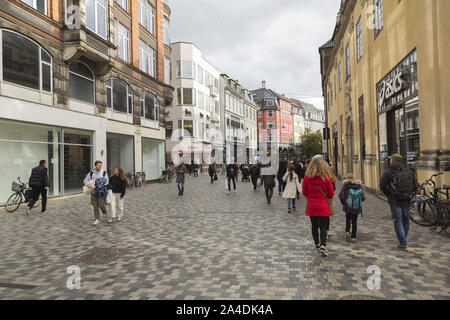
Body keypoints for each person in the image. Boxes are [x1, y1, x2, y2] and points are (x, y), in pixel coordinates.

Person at [380, 153, 417, 251]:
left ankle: (403, 242)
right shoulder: (408, 171)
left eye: (390, 159)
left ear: (392, 160)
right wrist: (409, 194)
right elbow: (415, 185)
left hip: (395, 200)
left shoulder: (388, 172)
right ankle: (403, 239)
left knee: (398, 220)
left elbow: (382, 186)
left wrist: (388, 194)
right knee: (406, 220)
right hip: (407, 199)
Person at [302, 156, 335, 257]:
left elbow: (304, 192)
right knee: (323, 227)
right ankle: (323, 246)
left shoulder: (307, 177)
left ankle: (317, 243)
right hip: (323, 206)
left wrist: (311, 196)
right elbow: (331, 193)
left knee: (314, 226)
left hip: (311, 205)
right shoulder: (326, 178)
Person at [339, 173, 366, 242]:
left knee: (348, 219)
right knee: (354, 221)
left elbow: (341, 196)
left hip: (348, 206)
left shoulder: (345, 186)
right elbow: (363, 198)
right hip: (356, 207)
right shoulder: (358, 186)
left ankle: (347, 231)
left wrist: (344, 203)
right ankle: (353, 236)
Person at [84, 160, 109, 226]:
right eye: (98, 165)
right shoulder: (91, 173)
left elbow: (107, 182)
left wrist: (101, 183)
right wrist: (87, 184)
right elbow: (85, 180)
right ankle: (97, 219)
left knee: (101, 205)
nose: (100, 166)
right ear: (95, 166)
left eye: (100, 165)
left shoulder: (104, 173)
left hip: (101, 192)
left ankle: (105, 212)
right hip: (93, 192)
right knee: (95, 206)